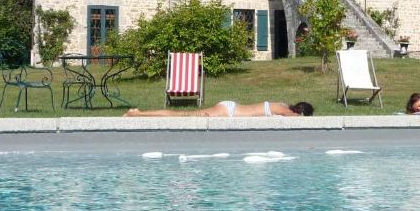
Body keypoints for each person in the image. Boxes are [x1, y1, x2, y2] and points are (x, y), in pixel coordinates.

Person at [124, 101, 314, 118]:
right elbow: (297, 120)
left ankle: (138, 113)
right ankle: (137, 114)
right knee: (181, 115)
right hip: (227, 111)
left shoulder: (281, 105)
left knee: (184, 114)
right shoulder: (285, 110)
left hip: (229, 109)